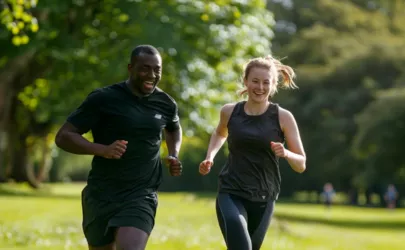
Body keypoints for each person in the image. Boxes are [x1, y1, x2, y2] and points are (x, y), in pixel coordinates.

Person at [55, 45, 183, 250]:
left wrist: (173, 154)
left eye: (157, 69)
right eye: (144, 68)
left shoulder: (166, 103)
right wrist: (102, 149)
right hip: (101, 193)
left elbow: (174, 128)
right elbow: (63, 136)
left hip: (141, 193)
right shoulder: (103, 99)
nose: (152, 75)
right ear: (130, 68)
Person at [199, 55, 306, 250]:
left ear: (273, 85)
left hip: (264, 196)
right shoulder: (229, 112)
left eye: (266, 82)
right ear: (246, 81)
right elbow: (219, 133)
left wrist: (286, 153)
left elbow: (301, 164)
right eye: (255, 81)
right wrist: (210, 157)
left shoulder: (283, 117)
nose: (260, 87)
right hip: (231, 192)